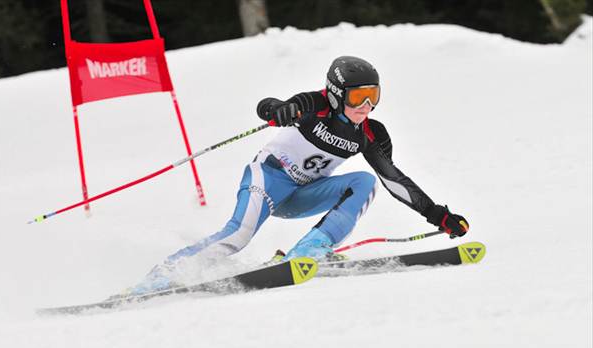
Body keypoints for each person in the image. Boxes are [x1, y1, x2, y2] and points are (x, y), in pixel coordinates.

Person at [128, 55, 469, 295]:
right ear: (336, 95)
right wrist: (279, 110)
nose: (366, 106)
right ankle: (160, 277)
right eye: (358, 97)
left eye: (373, 96)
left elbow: (394, 180)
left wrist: (438, 215)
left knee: (364, 183)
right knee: (238, 235)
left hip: (304, 194)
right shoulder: (315, 104)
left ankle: (308, 251)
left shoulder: (370, 133)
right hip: (268, 179)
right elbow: (268, 105)